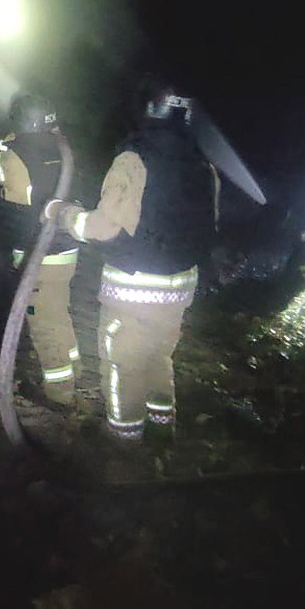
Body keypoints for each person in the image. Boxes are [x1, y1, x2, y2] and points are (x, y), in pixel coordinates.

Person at [44, 80, 219, 443]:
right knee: (159, 356)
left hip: (134, 289)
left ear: (147, 109)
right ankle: (161, 426)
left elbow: (104, 227)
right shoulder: (204, 165)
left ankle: (123, 442)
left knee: (123, 364)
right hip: (181, 287)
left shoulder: (132, 160)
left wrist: (64, 215)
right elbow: (208, 227)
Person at [0, 93, 82, 407]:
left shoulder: (13, 155)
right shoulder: (63, 149)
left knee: (42, 321)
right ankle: (74, 369)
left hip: (37, 255)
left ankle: (60, 393)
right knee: (58, 311)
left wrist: (6, 140)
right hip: (66, 250)